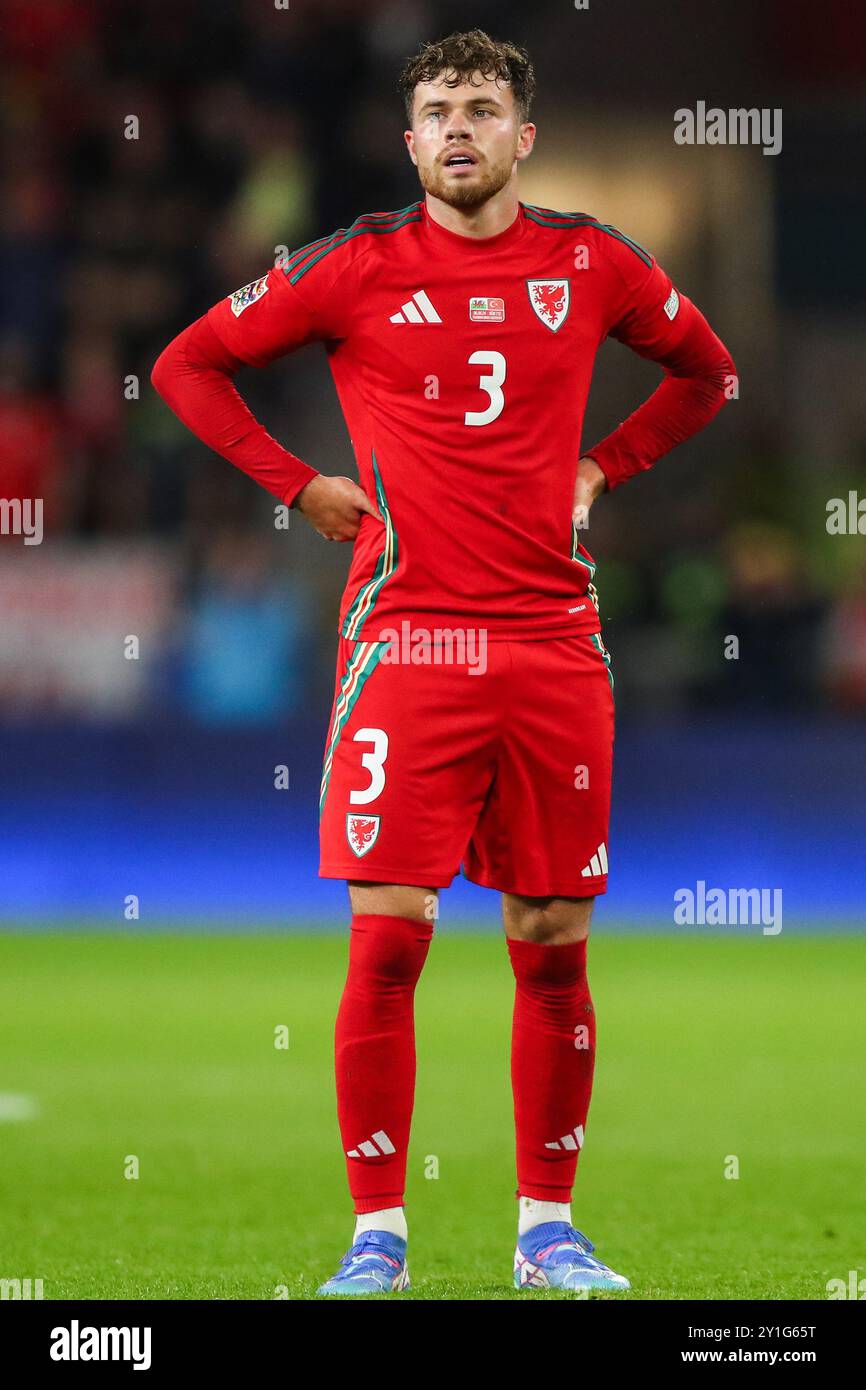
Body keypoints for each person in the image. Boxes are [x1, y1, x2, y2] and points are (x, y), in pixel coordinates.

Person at [151, 28, 735, 1296]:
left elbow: (707, 371)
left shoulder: (590, 263)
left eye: (481, 107)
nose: (458, 128)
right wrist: (298, 486)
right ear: (409, 140)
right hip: (406, 645)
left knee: (549, 939)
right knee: (387, 940)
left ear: (523, 135)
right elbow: (185, 365)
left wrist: (602, 464)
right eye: (435, 110)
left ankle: (547, 1233)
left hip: (551, 646)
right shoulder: (353, 266)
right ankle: (377, 1240)